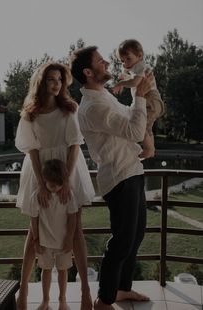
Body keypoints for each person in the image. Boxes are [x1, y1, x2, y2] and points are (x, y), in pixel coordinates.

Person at [71, 46, 152, 309]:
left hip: (132, 170)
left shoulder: (103, 95)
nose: (107, 62)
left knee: (135, 235)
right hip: (119, 178)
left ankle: (121, 290)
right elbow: (135, 130)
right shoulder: (92, 106)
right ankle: (104, 301)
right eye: (100, 61)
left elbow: (129, 116)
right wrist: (139, 95)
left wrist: (137, 95)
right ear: (88, 71)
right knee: (122, 241)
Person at [15, 62, 95, 310]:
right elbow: (32, 150)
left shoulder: (69, 110)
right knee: (35, 225)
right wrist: (41, 184)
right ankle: (25, 289)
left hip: (68, 169)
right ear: (42, 82)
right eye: (51, 79)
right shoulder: (31, 114)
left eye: (60, 79)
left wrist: (67, 181)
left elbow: (74, 146)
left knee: (76, 227)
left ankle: (84, 290)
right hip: (39, 170)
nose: (56, 84)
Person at [30, 159, 78, 310]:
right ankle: (45, 300)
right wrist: (36, 239)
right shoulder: (37, 196)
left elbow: (72, 217)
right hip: (45, 243)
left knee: (63, 271)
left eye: (59, 185)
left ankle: (62, 300)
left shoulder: (68, 195)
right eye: (52, 185)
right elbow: (33, 218)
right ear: (44, 180)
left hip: (63, 242)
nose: (56, 188)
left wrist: (70, 238)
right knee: (46, 271)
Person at [112, 39, 165, 159]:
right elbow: (133, 77)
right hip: (152, 102)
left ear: (139, 56)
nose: (125, 63)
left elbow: (135, 81)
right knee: (148, 127)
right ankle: (151, 149)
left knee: (142, 126)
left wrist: (122, 83)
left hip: (150, 99)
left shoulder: (140, 66)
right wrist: (125, 76)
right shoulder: (136, 67)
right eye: (122, 61)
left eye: (128, 59)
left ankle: (149, 149)